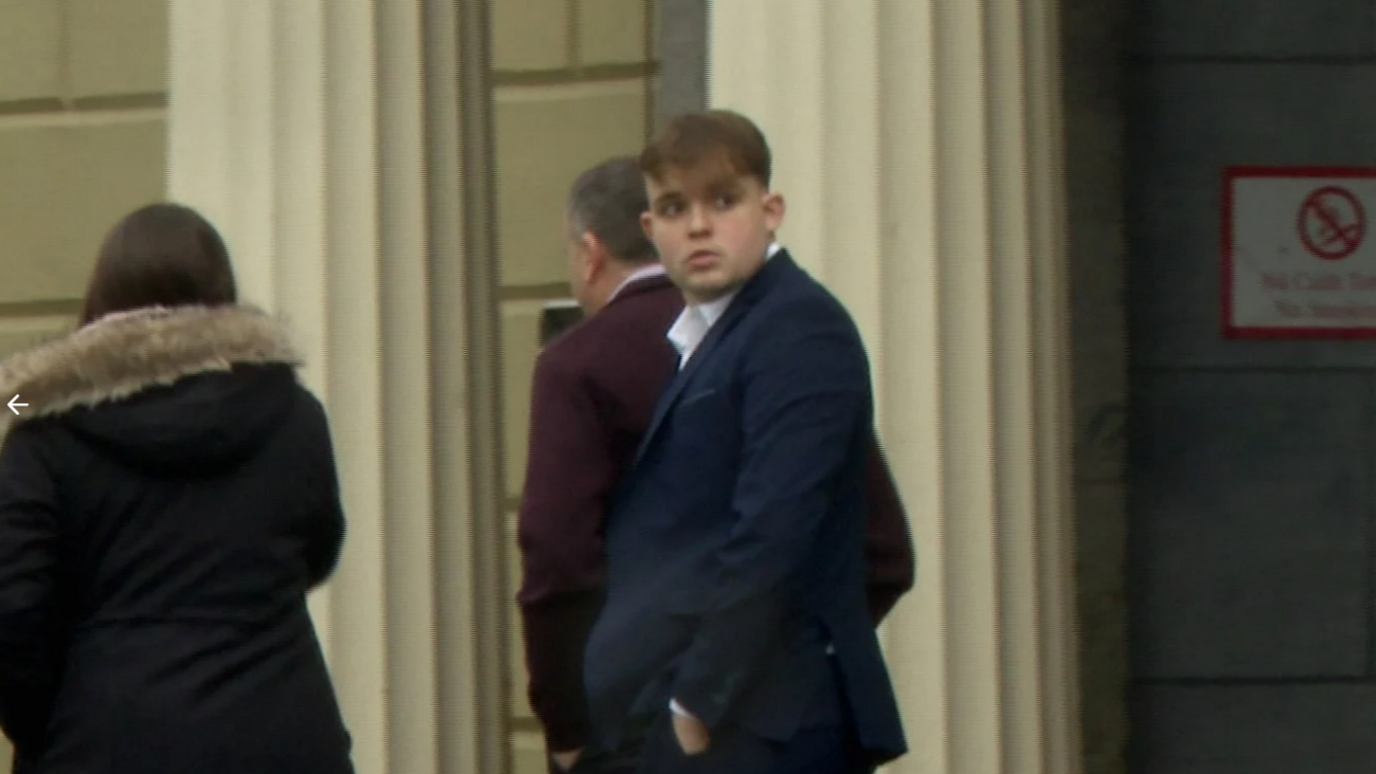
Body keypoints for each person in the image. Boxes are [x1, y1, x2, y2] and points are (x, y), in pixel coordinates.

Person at [517, 156, 915, 773]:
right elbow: (882, 549)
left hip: (648, 727)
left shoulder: (580, 364)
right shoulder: (764, 339)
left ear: (590, 252)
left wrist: (575, 725)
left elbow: (558, 558)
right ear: (652, 227)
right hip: (780, 719)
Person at [0, 204, 354, 774]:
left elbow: (14, 609)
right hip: (282, 733)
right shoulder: (294, 413)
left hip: (104, 739)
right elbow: (319, 548)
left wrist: (55, 724)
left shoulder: (42, 429)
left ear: (101, 298)